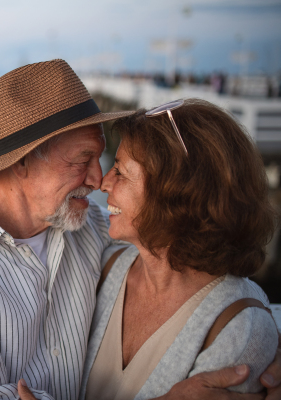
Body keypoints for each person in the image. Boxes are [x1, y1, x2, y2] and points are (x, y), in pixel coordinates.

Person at [0, 60, 281, 400]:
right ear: (23, 162)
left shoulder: (95, 230)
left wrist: (260, 342)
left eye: (103, 158)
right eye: (83, 160)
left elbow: (199, 275)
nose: (99, 180)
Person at [80, 98, 279, 400]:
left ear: (174, 192)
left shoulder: (240, 329)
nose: (103, 183)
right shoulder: (108, 265)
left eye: (119, 171)